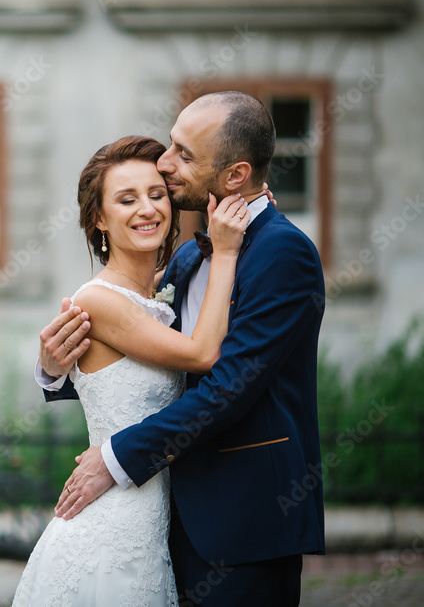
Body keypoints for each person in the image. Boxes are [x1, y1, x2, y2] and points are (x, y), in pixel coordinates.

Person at [36, 92, 326, 606]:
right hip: (165, 523)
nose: (166, 165)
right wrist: (54, 370)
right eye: (171, 144)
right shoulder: (193, 255)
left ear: (235, 175)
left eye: (183, 155)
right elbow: (134, 355)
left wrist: (116, 457)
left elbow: (227, 389)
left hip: (244, 523)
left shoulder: (283, 254)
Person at [12, 134, 251, 606]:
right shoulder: (98, 300)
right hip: (109, 528)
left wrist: (250, 213)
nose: (148, 209)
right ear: (99, 218)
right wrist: (226, 252)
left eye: (156, 194)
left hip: (151, 525)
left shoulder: (160, 287)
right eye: (127, 199)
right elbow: (203, 353)